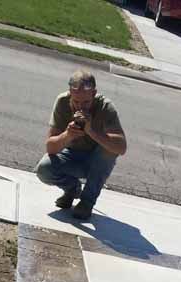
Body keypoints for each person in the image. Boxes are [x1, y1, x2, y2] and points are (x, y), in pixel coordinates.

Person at [35, 69, 127, 221]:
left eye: (86, 102)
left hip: (95, 162)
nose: (80, 108)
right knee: (44, 168)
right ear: (70, 92)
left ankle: (87, 202)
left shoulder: (105, 107)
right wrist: (67, 135)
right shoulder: (62, 102)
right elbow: (50, 148)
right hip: (71, 156)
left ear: (94, 93)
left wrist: (92, 131)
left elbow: (121, 148)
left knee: (109, 150)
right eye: (76, 102)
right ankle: (72, 190)